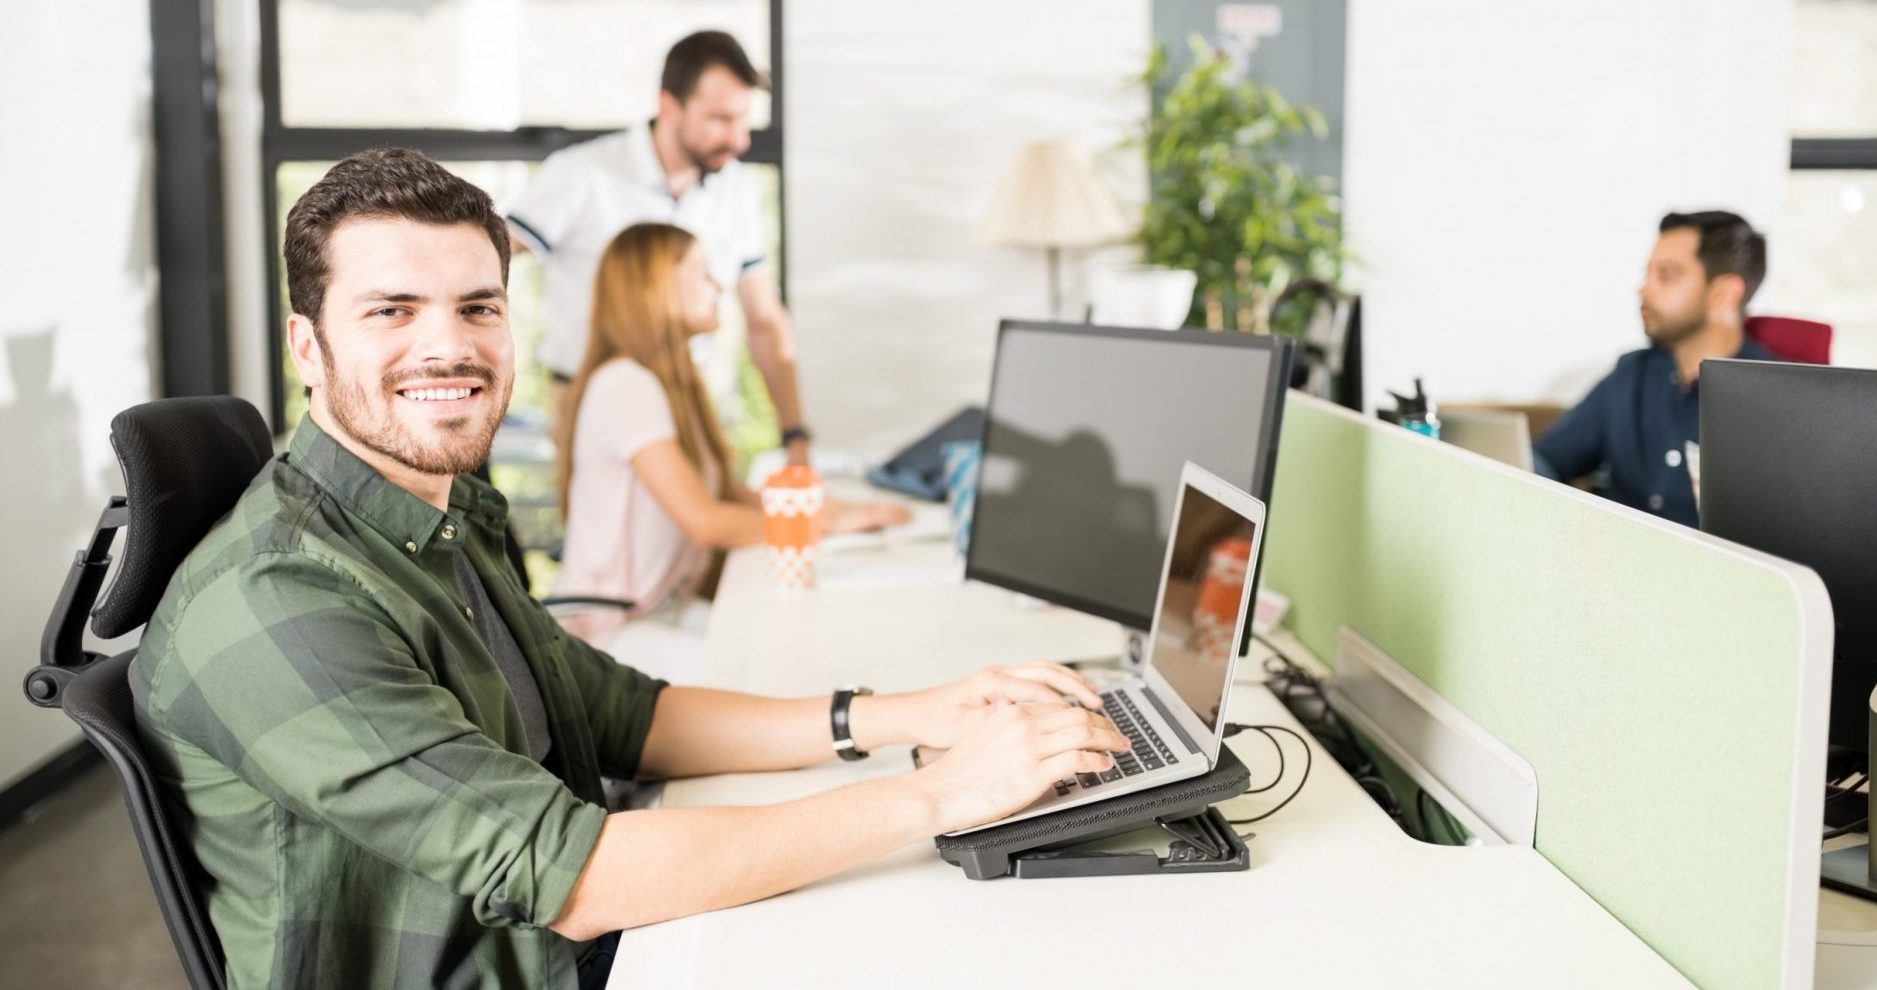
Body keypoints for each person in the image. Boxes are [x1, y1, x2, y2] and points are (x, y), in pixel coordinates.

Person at [128, 149, 1129, 990]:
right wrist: (943, 794)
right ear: (307, 347)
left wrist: (912, 715)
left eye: (478, 307)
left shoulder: (441, 514)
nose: (449, 345)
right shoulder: (280, 597)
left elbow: (622, 715)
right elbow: (575, 877)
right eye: (392, 310)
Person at [549, 222, 906, 657]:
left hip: (660, 612)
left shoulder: (668, 384)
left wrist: (834, 510)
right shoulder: (625, 384)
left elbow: (726, 494)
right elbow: (706, 522)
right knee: (771, 665)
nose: (719, 285)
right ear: (654, 286)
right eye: (701, 271)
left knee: (792, 642)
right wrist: (824, 525)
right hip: (607, 636)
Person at [505, 31, 812, 465]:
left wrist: (794, 435)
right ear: (669, 107)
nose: (739, 140)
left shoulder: (735, 188)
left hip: (686, 398)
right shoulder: (583, 173)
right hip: (593, 399)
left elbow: (764, 320)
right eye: (720, 119)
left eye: (743, 120)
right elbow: (488, 255)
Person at [1532, 210, 1775, 527]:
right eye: (1648, 273)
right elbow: (1547, 458)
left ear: (1723, 294)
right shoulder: (1631, 373)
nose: (1644, 290)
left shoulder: (1778, 400)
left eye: (1667, 275)